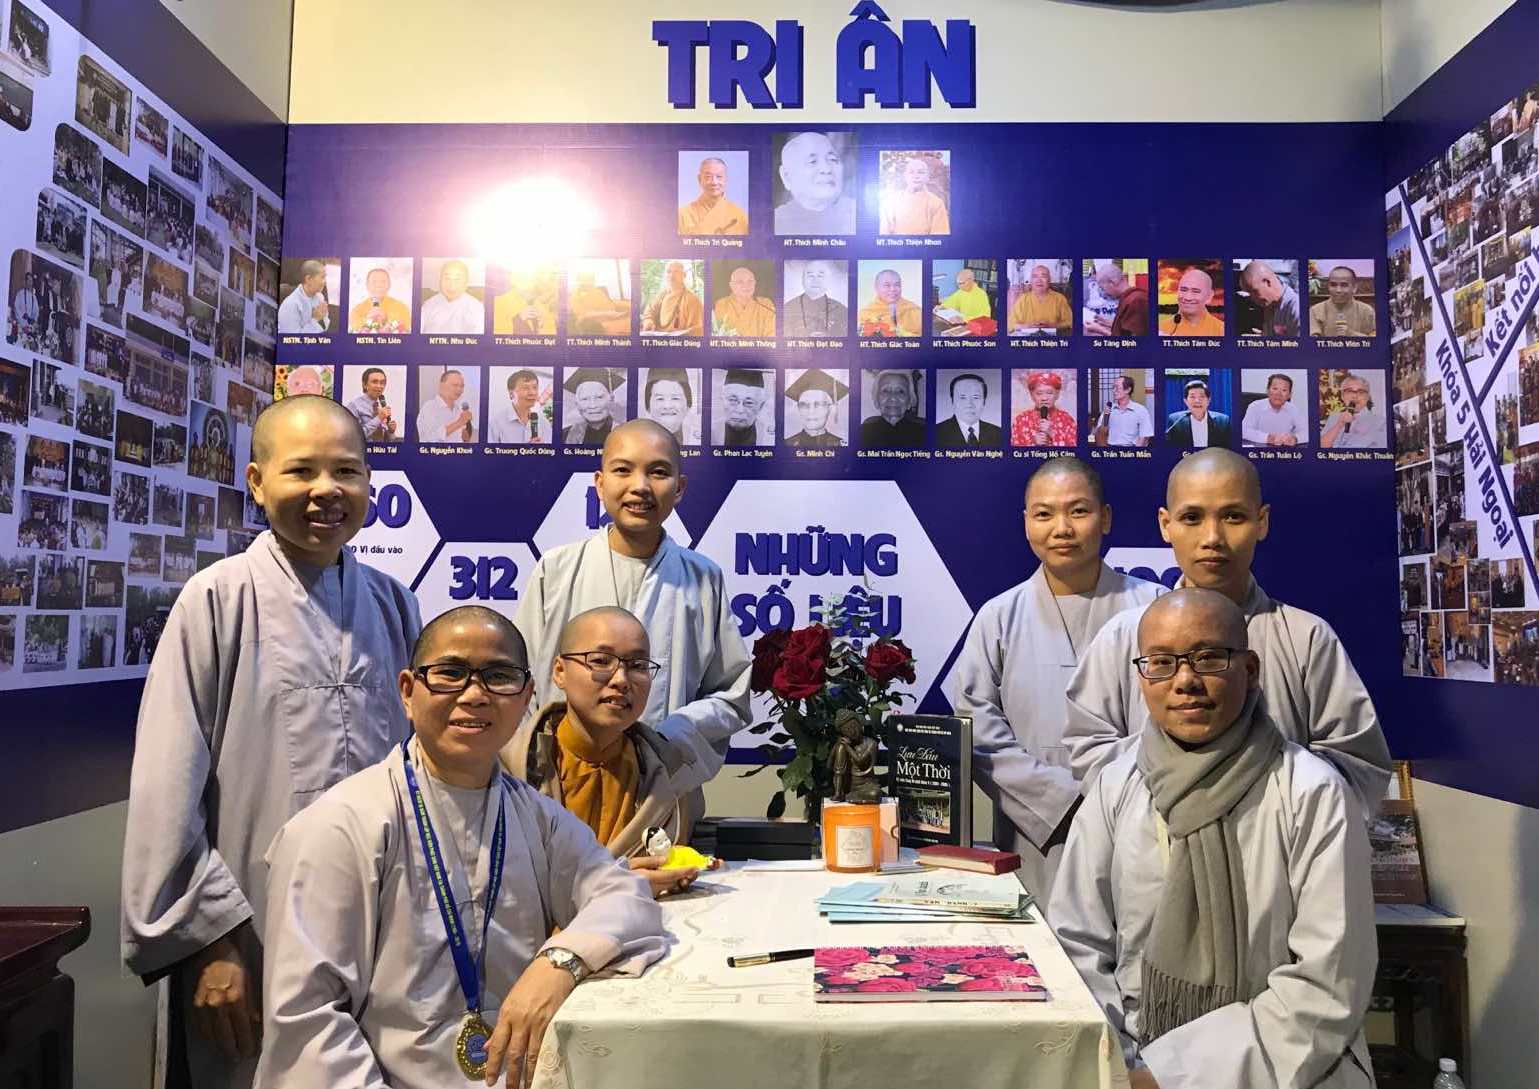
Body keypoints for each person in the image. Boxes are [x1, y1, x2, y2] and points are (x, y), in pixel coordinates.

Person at [121, 396, 421, 1089]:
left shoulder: (393, 603)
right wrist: (209, 941)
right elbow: (168, 786)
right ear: (257, 482)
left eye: (346, 471)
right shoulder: (216, 600)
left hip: (381, 927)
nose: (326, 490)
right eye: (301, 471)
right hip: (250, 936)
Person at [256, 606, 666, 1088]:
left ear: (526, 697)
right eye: (451, 673)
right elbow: (308, 1026)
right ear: (408, 691)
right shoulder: (341, 825)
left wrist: (560, 962)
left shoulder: (534, 816)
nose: (475, 694)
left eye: (499, 676)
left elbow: (622, 895)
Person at [1051, 589, 1376, 1089]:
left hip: (1281, 1072)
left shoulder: (1312, 792)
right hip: (1125, 1062)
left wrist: (1170, 1076)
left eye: (1207, 658)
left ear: (1250, 669)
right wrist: (1118, 1063)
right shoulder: (1117, 785)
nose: (1185, 681)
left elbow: (1328, 981)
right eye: (1162, 663)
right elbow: (1078, 940)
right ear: (1141, 677)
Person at [1063, 448, 1393, 816]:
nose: (1212, 537)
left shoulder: (1307, 639)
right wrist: (1187, 781)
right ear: (1165, 524)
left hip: (1278, 846)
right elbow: (1089, 752)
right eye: (1192, 517)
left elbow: (1358, 767)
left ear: (1261, 522)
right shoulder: (1123, 638)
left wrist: (1263, 805)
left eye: (1233, 516)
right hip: (1155, 841)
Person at [511, 419, 752, 810]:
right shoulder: (556, 571)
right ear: (599, 483)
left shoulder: (702, 578)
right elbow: (519, 683)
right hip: (556, 792)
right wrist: (534, 764)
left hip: (662, 795)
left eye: (657, 472)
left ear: (679, 487)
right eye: (623, 470)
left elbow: (731, 695)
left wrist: (670, 738)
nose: (640, 486)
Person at [950, 459, 1161, 904]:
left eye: (1078, 511)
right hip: (1040, 832)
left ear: (1105, 518)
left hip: (1142, 818)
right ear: (1026, 522)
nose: (1061, 528)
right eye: (1044, 514)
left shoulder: (1155, 607)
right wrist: (1059, 800)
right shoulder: (998, 617)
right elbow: (978, 732)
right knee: (1042, 936)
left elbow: (1177, 720)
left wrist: (1119, 797)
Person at [508, 606, 704, 896]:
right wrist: (616, 883)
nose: (621, 680)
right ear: (560, 671)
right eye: (600, 661)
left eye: (638, 665)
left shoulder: (673, 776)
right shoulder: (508, 770)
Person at [774, 132, 856, 235]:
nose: (826, 169)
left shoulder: (857, 215)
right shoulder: (776, 222)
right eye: (812, 161)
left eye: (833, 159)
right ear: (786, 176)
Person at [677, 156, 747, 236]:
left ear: (726, 179)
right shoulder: (683, 214)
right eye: (708, 177)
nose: (714, 182)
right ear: (699, 179)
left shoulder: (739, 215)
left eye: (719, 177)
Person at [881, 155, 950, 235]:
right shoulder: (892, 201)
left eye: (921, 172)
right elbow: (884, 233)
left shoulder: (936, 203)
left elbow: (940, 236)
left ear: (928, 177)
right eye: (911, 172)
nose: (916, 176)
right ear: (905, 176)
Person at [782, 260, 848, 338]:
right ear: (802, 280)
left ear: (828, 281)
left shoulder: (841, 310)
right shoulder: (787, 308)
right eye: (810, 276)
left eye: (820, 276)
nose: (815, 280)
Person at [859, 369, 925, 448]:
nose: (893, 398)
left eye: (900, 391)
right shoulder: (861, 433)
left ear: (910, 401)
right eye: (885, 391)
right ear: (876, 400)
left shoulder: (924, 434)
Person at [419, 259, 486, 335]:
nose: (451, 284)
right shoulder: (428, 305)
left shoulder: (477, 308)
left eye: (457, 279)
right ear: (440, 280)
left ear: (466, 283)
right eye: (447, 278)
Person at [785, 368, 847, 449]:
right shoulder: (786, 444)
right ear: (798, 409)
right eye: (804, 405)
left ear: (830, 408)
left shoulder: (841, 445)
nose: (811, 411)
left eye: (818, 405)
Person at [1012, 371, 1077, 447]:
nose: (1044, 398)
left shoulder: (1067, 419)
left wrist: (1053, 434)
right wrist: (1033, 443)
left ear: (1057, 394)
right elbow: (1013, 449)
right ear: (1032, 395)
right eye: (1039, 393)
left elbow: (1076, 449)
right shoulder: (1020, 420)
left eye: (1049, 393)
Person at [936, 372, 1002, 448]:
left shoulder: (998, 433)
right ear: (952, 401)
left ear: (984, 401)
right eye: (962, 398)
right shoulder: (936, 433)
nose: (969, 404)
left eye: (975, 397)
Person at [1320, 373, 1386, 449]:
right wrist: (1339, 424)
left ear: (1367, 397)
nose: (1355, 396)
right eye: (1349, 391)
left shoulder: (1380, 422)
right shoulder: (1334, 417)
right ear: (1342, 396)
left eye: (1361, 392)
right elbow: (1321, 447)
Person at [640, 260, 704, 337]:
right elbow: (649, 312)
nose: (671, 275)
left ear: (684, 275)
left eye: (676, 272)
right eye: (668, 272)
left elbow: (697, 330)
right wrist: (648, 321)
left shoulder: (692, 299)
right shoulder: (661, 295)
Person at [1165, 378, 1232, 449]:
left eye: (1202, 396)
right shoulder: (1175, 421)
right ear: (1185, 401)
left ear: (1209, 400)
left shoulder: (1222, 421)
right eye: (1192, 397)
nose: (1197, 401)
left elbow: (1228, 449)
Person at [1085, 261, 1148, 337]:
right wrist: (1113, 324)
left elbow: (1130, 342)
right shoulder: (1128, 299)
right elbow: (1125, 331)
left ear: (1112, 282)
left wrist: (1100, 330)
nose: (1104, 293)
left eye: (1102, 288)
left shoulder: (1136, 301)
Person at [562, 367, 623, 446]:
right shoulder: (565, 435)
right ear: (577, 404)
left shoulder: (626, 432)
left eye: (599, 397)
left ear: (611, 399)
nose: (593, 405)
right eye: (585, 399)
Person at [1240, 260, 1300, 338]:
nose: (1252, 298)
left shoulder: (1296, 308)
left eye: (1254, 291)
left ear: (1268, 282)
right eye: (1249, 293)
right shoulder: (1270, 305)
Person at [713, 368, 774, 446]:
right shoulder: (710, 432)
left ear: (760, 406)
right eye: (733, 400)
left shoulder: (771, 438)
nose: (740, 410)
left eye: (749, 403)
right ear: (722, 401)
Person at [1310, 266, 1376, 337]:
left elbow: (1377, 340)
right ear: (1328, 286)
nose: (1338, 290)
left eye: (1344, 285)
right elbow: (1312, 340)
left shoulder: (1367, 311)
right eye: (1333, 285)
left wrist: (1352, 334)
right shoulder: (1315, 311)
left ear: (1354, 288)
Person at [487, 369, 549, 445]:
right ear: (511, 394)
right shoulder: (496, 422)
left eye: (535, 387)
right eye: (525, 388)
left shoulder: (544, 423)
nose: (532, 393)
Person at [1241, 373, 1304, 447]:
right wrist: (1268, 438)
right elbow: (1244, 431)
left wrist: (1295, 439)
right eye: (1275, 389)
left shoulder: (1293, 409)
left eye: (1284, 390)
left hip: (1284, 451)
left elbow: (1306, 431)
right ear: (1267, 390)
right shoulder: (1255, 406)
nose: (1278, 394)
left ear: (1289, 394)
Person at [641, 367, 700, 446]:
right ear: (648, 406)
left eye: (675, 398)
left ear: (688, 405)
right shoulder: (637, 440)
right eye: (660, 399)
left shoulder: (699, 438)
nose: (667, 406)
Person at [1158, 267, 1225, 336]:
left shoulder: (1222, 331)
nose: (1188, 297)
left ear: (1209, 296)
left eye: (1195, 291)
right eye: (1183, 290)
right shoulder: (1160, 330)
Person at [1009, 264, 1073, 336]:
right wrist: (1029, 326)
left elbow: (1069, 322)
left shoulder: (1059, 298)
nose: (1039, 280)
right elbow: (1011, 324)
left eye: (1043, 276)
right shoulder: (1023, 299)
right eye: (1035, 276)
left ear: (1049, 279)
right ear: (1031, 281)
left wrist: (1051, 325)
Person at [712, 266, 776, 337]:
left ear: (755, 283)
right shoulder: (721, 304)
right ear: (731, 285)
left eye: (750, 281)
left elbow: (772, 335)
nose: (746, 285)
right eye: (740, 282)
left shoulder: (766, 304)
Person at [856, 268, 922, 337]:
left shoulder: (914, 310)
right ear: (876, 287)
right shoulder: (865, 314)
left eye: (897, 285)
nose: (893, 289)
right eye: (887, 285)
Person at [416, 369, 475, 444]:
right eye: (455, 385)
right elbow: (432, 438)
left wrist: (467, 426)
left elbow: (463, 438)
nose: (459, 389)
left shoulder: (458, 410)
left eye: (462, 386)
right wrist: (459, 422)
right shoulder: (429, 407)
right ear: (442, 385)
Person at [347, 267, 411, 333]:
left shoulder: (401, 307)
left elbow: (405, 327)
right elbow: (354, 326)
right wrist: (368, 320)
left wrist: (385, 319)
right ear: (367, 285)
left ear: (389, 285)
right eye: (374, 282)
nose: (378, 285)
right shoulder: (357, 310)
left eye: (383, 281)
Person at [493, 269, 557, 335]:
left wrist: (542, 328)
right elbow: (499, 337)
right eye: (525, 279)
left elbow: (551, 336)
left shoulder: (541, 306)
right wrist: (518, 319)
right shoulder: (499, 303)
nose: (530, 285)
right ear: (514, 280)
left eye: (532, 280)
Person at [1095, 376, 1153, 447]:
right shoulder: (1108, 409)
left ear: (1128, 390)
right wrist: (1105, 420)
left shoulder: (1141, 410)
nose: (1114, 391)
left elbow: (1145, 436)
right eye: (1113, 388)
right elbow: (1098, 434)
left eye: (1117, 387)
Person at [569, 270, 630, 336]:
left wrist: (628, 304)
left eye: (592, 280)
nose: (591, 283)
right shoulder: (576, 296)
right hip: (597, 321)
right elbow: (584, 314)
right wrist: (610, 314)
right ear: (580, 281)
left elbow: (612, 302)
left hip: (615, 317)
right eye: (587, 280)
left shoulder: (598, 291)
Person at [345, 367, 397, 442]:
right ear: (364, 385)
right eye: (375, 382)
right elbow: (353, 436)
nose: (379, 386)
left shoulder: (382, 406)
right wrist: (379, 418)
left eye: (382, 383)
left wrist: (391, 432)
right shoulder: (354, 406)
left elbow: (388, 440)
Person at [277, 260, 328, 334]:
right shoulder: (291, 304)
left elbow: (324, 326)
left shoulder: (320, 297)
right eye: (322, 277)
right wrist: (315, 319)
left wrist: (320, 319)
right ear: (308, 279)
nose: (325, 282)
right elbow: (293, 338)